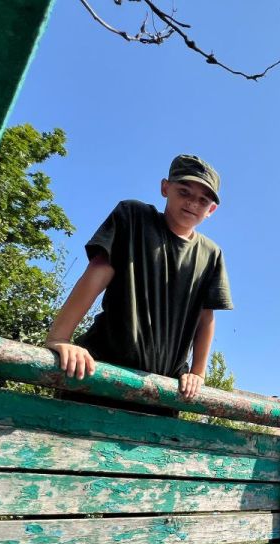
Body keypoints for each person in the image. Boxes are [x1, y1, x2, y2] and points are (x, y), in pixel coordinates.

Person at [45, 154, 232, 416]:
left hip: (162, 392)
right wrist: (60, 337)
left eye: (203, 200)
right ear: (165, 188)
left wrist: (198, 373)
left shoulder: (211, 254)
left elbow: (206, 315)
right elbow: (98, 271)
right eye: (184, 191)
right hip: (100, 371)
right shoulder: (134, 217)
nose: (192, 203)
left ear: (211, 210)